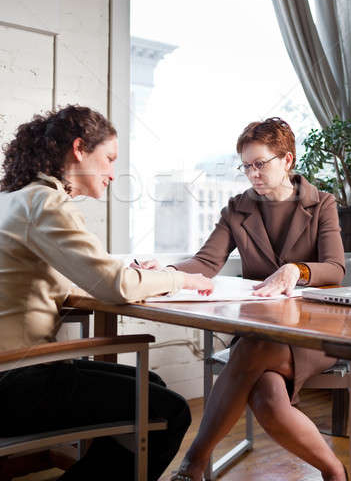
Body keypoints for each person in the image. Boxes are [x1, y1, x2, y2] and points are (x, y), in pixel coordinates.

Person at [0, 105, 213, 480]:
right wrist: (180, 278)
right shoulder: (45, 203)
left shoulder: (13, 199)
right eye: (109, 159)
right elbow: (115, 287)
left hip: (12, 370)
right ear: (80, 149)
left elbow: (75, 275)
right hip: (16, 379)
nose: (114, 174)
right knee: (170, 410)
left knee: (152, 387)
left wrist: (129, 273)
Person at [140, 117, 347, 481]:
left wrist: (296, 270)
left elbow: (335, 268)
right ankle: (334, 471)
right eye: (247, 166)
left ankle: (192, 465)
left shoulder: (322, 203)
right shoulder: (238, 208)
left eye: (260, 164)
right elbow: (206, 262)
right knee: (266, 395)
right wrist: (165, 270)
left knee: (250, 350)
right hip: (263, 329)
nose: (252, 174)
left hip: (315, 331)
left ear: (287, 160)